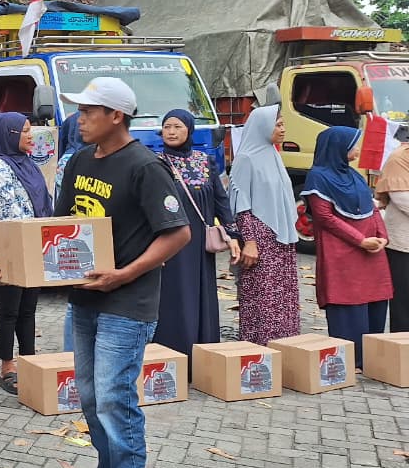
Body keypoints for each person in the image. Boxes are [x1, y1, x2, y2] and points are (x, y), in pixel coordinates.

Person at [12, 77, 190, 468]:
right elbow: (59, 228)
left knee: (114, 400)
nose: (80, 118)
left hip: (127, 304)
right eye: (80, 110)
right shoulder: (79, 161)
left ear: (116, 116)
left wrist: (125, 273)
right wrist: (17, 266)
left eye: (89, 111)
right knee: (91, 399)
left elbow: (178, 233)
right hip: (84, 301)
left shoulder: (145, 167)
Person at [154, 109, 242, 360]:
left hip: (200, 245)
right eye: (167, 127)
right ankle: (173, 357)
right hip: (169, 243)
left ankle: (203, 358)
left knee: (200, 295)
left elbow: (220, 200)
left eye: (177, 127)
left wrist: (232, 235)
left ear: (189, 130)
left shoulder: (205, 161)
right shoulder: (156, 163)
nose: (171, 132)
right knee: (174, 296)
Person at [302, 126, 392, 368]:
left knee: (375, 299)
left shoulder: (354, 175)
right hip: (342, 251)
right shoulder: (318, 177)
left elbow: (372, 208)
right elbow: (325, 217)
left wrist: (382, 236)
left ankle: (371, 358)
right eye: (353, 145)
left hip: (372, 251)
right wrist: (360, 240)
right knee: (348, 300)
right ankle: (350, 360)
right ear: (338, 147)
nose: (357, 149)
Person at [0, 112, 52, 395]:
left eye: (30, 130)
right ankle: (7, 368)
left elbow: (42, 202)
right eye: (24, 131)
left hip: (32, 245)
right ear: (8, 134)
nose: (31, 136)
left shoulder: (27, 163)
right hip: (8, 249)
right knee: (10, 310)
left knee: (28, 309)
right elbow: (9, 212)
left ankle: (30, 363)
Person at [229, 105, 301, 346]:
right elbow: (240, 205)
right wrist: (249, 241)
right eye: (277, 125)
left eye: (282, 124)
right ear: (262, 127)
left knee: (283, 297)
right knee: (263, 297)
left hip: (281, 239)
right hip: (260, 240)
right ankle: (260, 349)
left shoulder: (273, 155)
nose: (283, 129)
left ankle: (286, 348)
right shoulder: (246, 159)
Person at [56, 113, 86, 352]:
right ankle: (71, 353)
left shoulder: (66, 158)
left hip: (74, 234)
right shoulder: (77, 160)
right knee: (77, 303)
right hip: (81, 236)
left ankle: (71, 353)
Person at [375, 133, 409, 331]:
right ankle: (401, 346)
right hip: (403, 245)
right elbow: (404, 200)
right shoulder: (399, 158)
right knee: (404, 304)